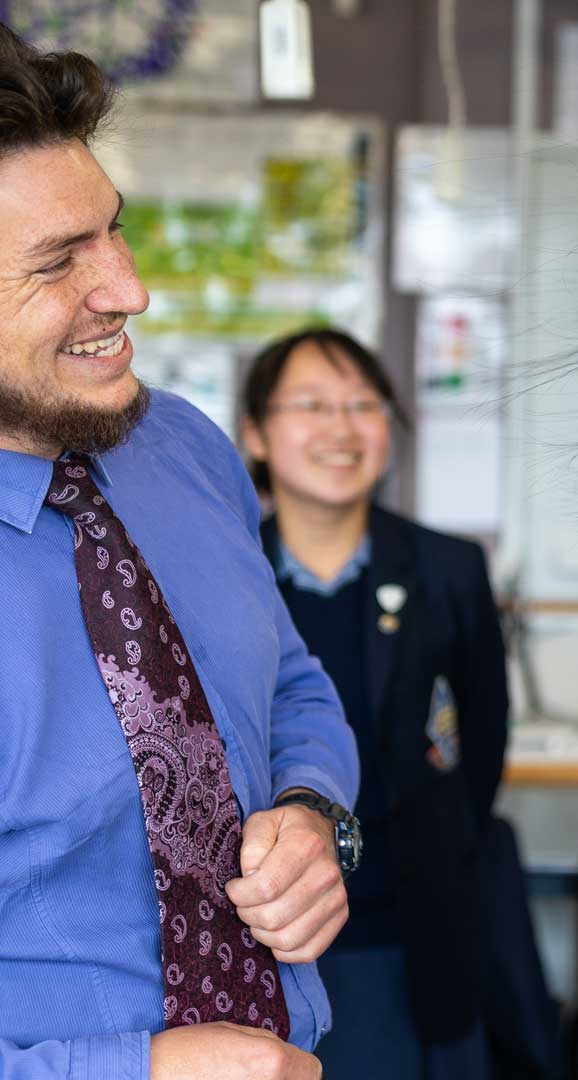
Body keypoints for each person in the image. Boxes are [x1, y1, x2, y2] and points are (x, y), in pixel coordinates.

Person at [0, 26, 359, 1080]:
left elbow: (289, 680)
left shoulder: (186, 447)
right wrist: (134, 1071)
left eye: (113, 230)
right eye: (58, 264)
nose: (128, 288)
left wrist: (310, 814)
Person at [239, 328, 512, 1079]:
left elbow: (482, 745)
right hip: (266, 934)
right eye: (312, 405)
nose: (341, 428)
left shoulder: (448, 568)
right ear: (255, 433)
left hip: (412, 929)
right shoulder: (220, 577)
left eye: (364, 405)